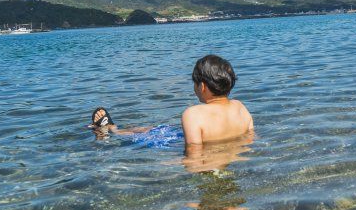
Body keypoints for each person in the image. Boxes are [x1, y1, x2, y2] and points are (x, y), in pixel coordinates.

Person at [89, 54, 253, 147]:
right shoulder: (240, 107)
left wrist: (170, 164)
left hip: (201, 153)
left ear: (202, 86)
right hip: (223, 150)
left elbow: (194, 152)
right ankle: (110, 129)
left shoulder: (193, 114)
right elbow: (251, 137)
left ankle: (111, 130)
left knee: (147, 137)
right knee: (154, 129)